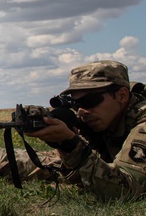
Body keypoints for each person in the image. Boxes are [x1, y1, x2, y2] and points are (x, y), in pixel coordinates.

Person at [28, 60, 146, 200]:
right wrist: (62, 144)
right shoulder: (105, 119)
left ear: (122, 95)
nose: (81, 112)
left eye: (90, 101)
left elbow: (127, 190)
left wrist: (72, 145)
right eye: (76, 105)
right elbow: (74, 170)